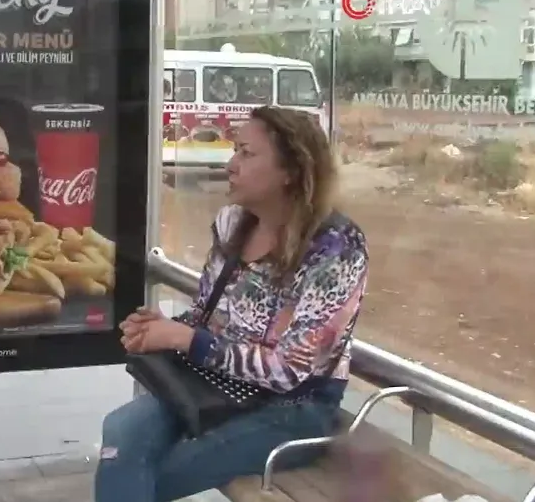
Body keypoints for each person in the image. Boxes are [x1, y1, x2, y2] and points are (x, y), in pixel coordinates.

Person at [95, 105, 369, 502]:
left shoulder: (336, 248)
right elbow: (207, 316)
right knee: (121, 436)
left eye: (246, 153)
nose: (231, 165)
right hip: (212, 383)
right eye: (234, 151)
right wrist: (161, 328)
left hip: (292, 407)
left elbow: (289, 371)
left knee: (150, 471)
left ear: (291, 171)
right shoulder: (234, 223)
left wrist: (185, 339)